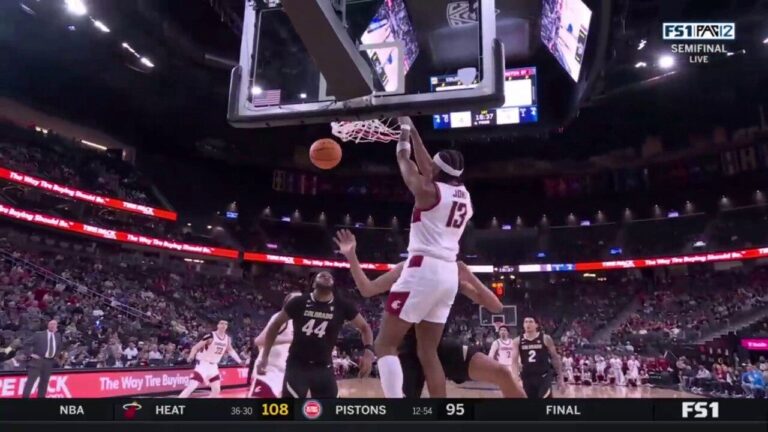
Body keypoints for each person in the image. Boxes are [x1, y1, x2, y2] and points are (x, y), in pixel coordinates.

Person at [333, 229, 524, 398]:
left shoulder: (451, 272)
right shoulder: (406, 268)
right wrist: (351, 256)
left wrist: (469, 276)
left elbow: (496, 307)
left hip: (438, 345)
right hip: (407, 351)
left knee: (502, 373)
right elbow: (367, 289)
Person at [376, 116, 473, 398]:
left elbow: (404, 158)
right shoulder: (465, 196)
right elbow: (429, 165)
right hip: (447, 275)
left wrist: (404, 133)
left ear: (435, 169)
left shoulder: (427, 191)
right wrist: (413, 126)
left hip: (422, 270)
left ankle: (396, 407)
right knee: (427, 350)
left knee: (384, 344)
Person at [256, 271, 374, 398]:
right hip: (297, 366)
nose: (326, 275)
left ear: (333, 285)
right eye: (321, 275)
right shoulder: (299, 302)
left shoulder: (342, 306)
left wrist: (368, 353)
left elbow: (365, 327)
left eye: (329, 275)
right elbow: (275, 325)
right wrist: (265, 356)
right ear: (313, 285)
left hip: (323, 367)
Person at [248, 292, 300, 398]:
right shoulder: (281, 318)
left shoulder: (301, 323)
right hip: (269, 370)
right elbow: (259, 341)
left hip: (285, 372)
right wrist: (290, 339)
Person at [178, 320, 244, 398]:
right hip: (203, 365)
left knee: (216, 390)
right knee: (191, 387)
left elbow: (230, 350)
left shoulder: (227, 339)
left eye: (225, 324)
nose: (223, 325)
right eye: (222, 323)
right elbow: (195, 347)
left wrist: (239, 361)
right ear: (218, 325)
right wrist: (191, 356)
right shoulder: (210, 336)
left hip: (213, 367)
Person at [511, 316, 564, 398]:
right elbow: (514, 361)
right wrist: (515, 378)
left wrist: (560, 378)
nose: (528, 324)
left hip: (543, 377)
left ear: (536, 325)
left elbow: (555, 358)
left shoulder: (546, 338)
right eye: (526, 322)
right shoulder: (517, 341)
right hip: (527, 377)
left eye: (531, 321)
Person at [22, 319, 62, 398]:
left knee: (44, 382)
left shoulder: (58, 336)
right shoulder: (39, 335)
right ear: (48, 325)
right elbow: (26, 343)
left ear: (57, 326)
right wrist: (30, 354)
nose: (53, 325)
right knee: (31, 382)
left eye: (54, 324)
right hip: (37, 361)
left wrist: (55, 356)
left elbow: (59, 347)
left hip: (49, 362)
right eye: (51, 324)